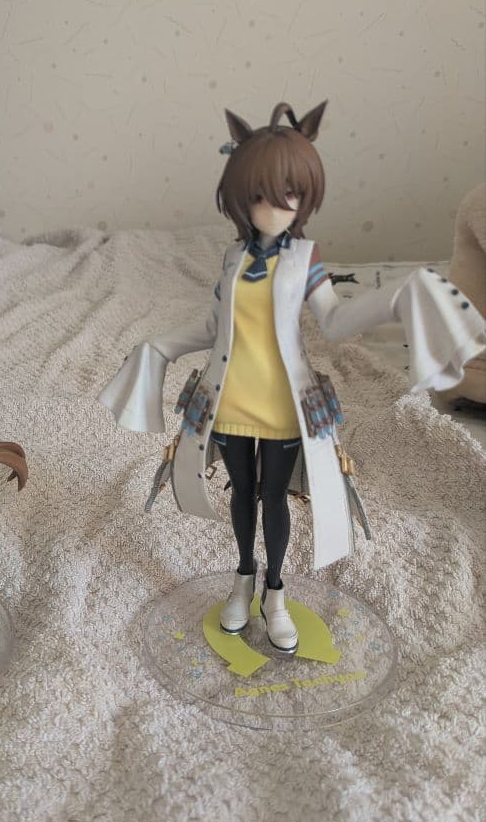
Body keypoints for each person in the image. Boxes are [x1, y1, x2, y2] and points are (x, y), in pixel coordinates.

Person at [99, 101, 485, 654]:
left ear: (305, 197)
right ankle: (242, 580)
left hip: (284, 403)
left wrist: (398, 296)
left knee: (275, 498)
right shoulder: (233, 257)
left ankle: (275, 593)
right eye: (260, 195)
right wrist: (159, 345)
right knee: (241, 496)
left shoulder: (305, 257)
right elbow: (213, 326)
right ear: (241, 197)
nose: (275, 207)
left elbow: (335, 321)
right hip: (229, 396)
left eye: (290, 194)